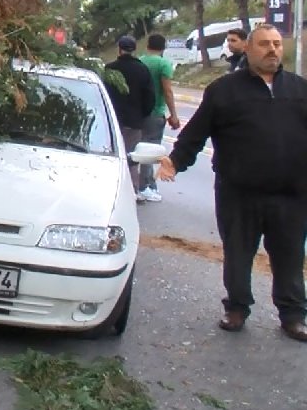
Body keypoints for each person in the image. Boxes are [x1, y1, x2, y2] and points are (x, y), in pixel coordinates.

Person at [157, 24, 307, 341]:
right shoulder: (224, 90)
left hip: (291, 195)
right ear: (249, 49)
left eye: (277, 44)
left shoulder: (299, 89)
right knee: (238, 254)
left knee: (290, 256)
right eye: (265, 44)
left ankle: (293, 315)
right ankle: (237, 308)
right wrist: (175, 161)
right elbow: (196, 132)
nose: (273, 50)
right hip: (239, 193)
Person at [103, 36, 156, 197]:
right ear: (134, 50)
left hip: (111, 121)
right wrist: (141, 115)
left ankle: (108, 189)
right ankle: (132, 191)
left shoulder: (110, 69)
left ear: (119, 49)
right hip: (133, 121)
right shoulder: (142, 69)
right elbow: (150, 98)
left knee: (108, 155)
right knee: (131, 157)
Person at [136, 34, 182, 202]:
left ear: (148, 45)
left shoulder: (140, 61)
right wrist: (174, 116)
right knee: (150, 151)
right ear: (163, 48)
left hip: (139, 113)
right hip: (156, 112)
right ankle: (146, 186)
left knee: (137, 149)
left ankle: (140, 185)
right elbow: (167, 91)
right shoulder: (164, 64)